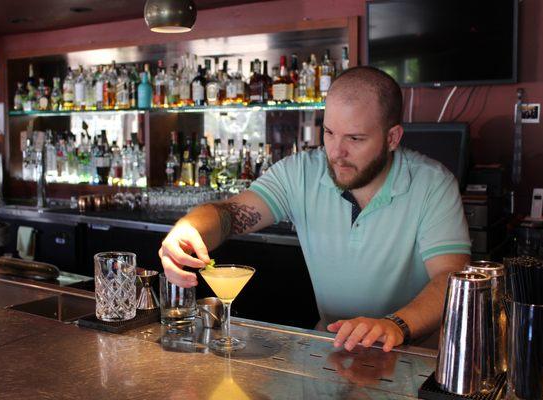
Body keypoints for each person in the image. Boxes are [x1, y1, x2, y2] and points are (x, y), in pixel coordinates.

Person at [159, 66, 471, 352]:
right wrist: (188, 229)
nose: (336, 152)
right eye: (330, 132)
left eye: (355, 138)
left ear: (392, 137)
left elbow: (450, 278)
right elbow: (228, 214)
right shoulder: (301, 173)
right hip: (331, 348)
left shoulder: (433, 184)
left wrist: (394, 325)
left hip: (408, 355)